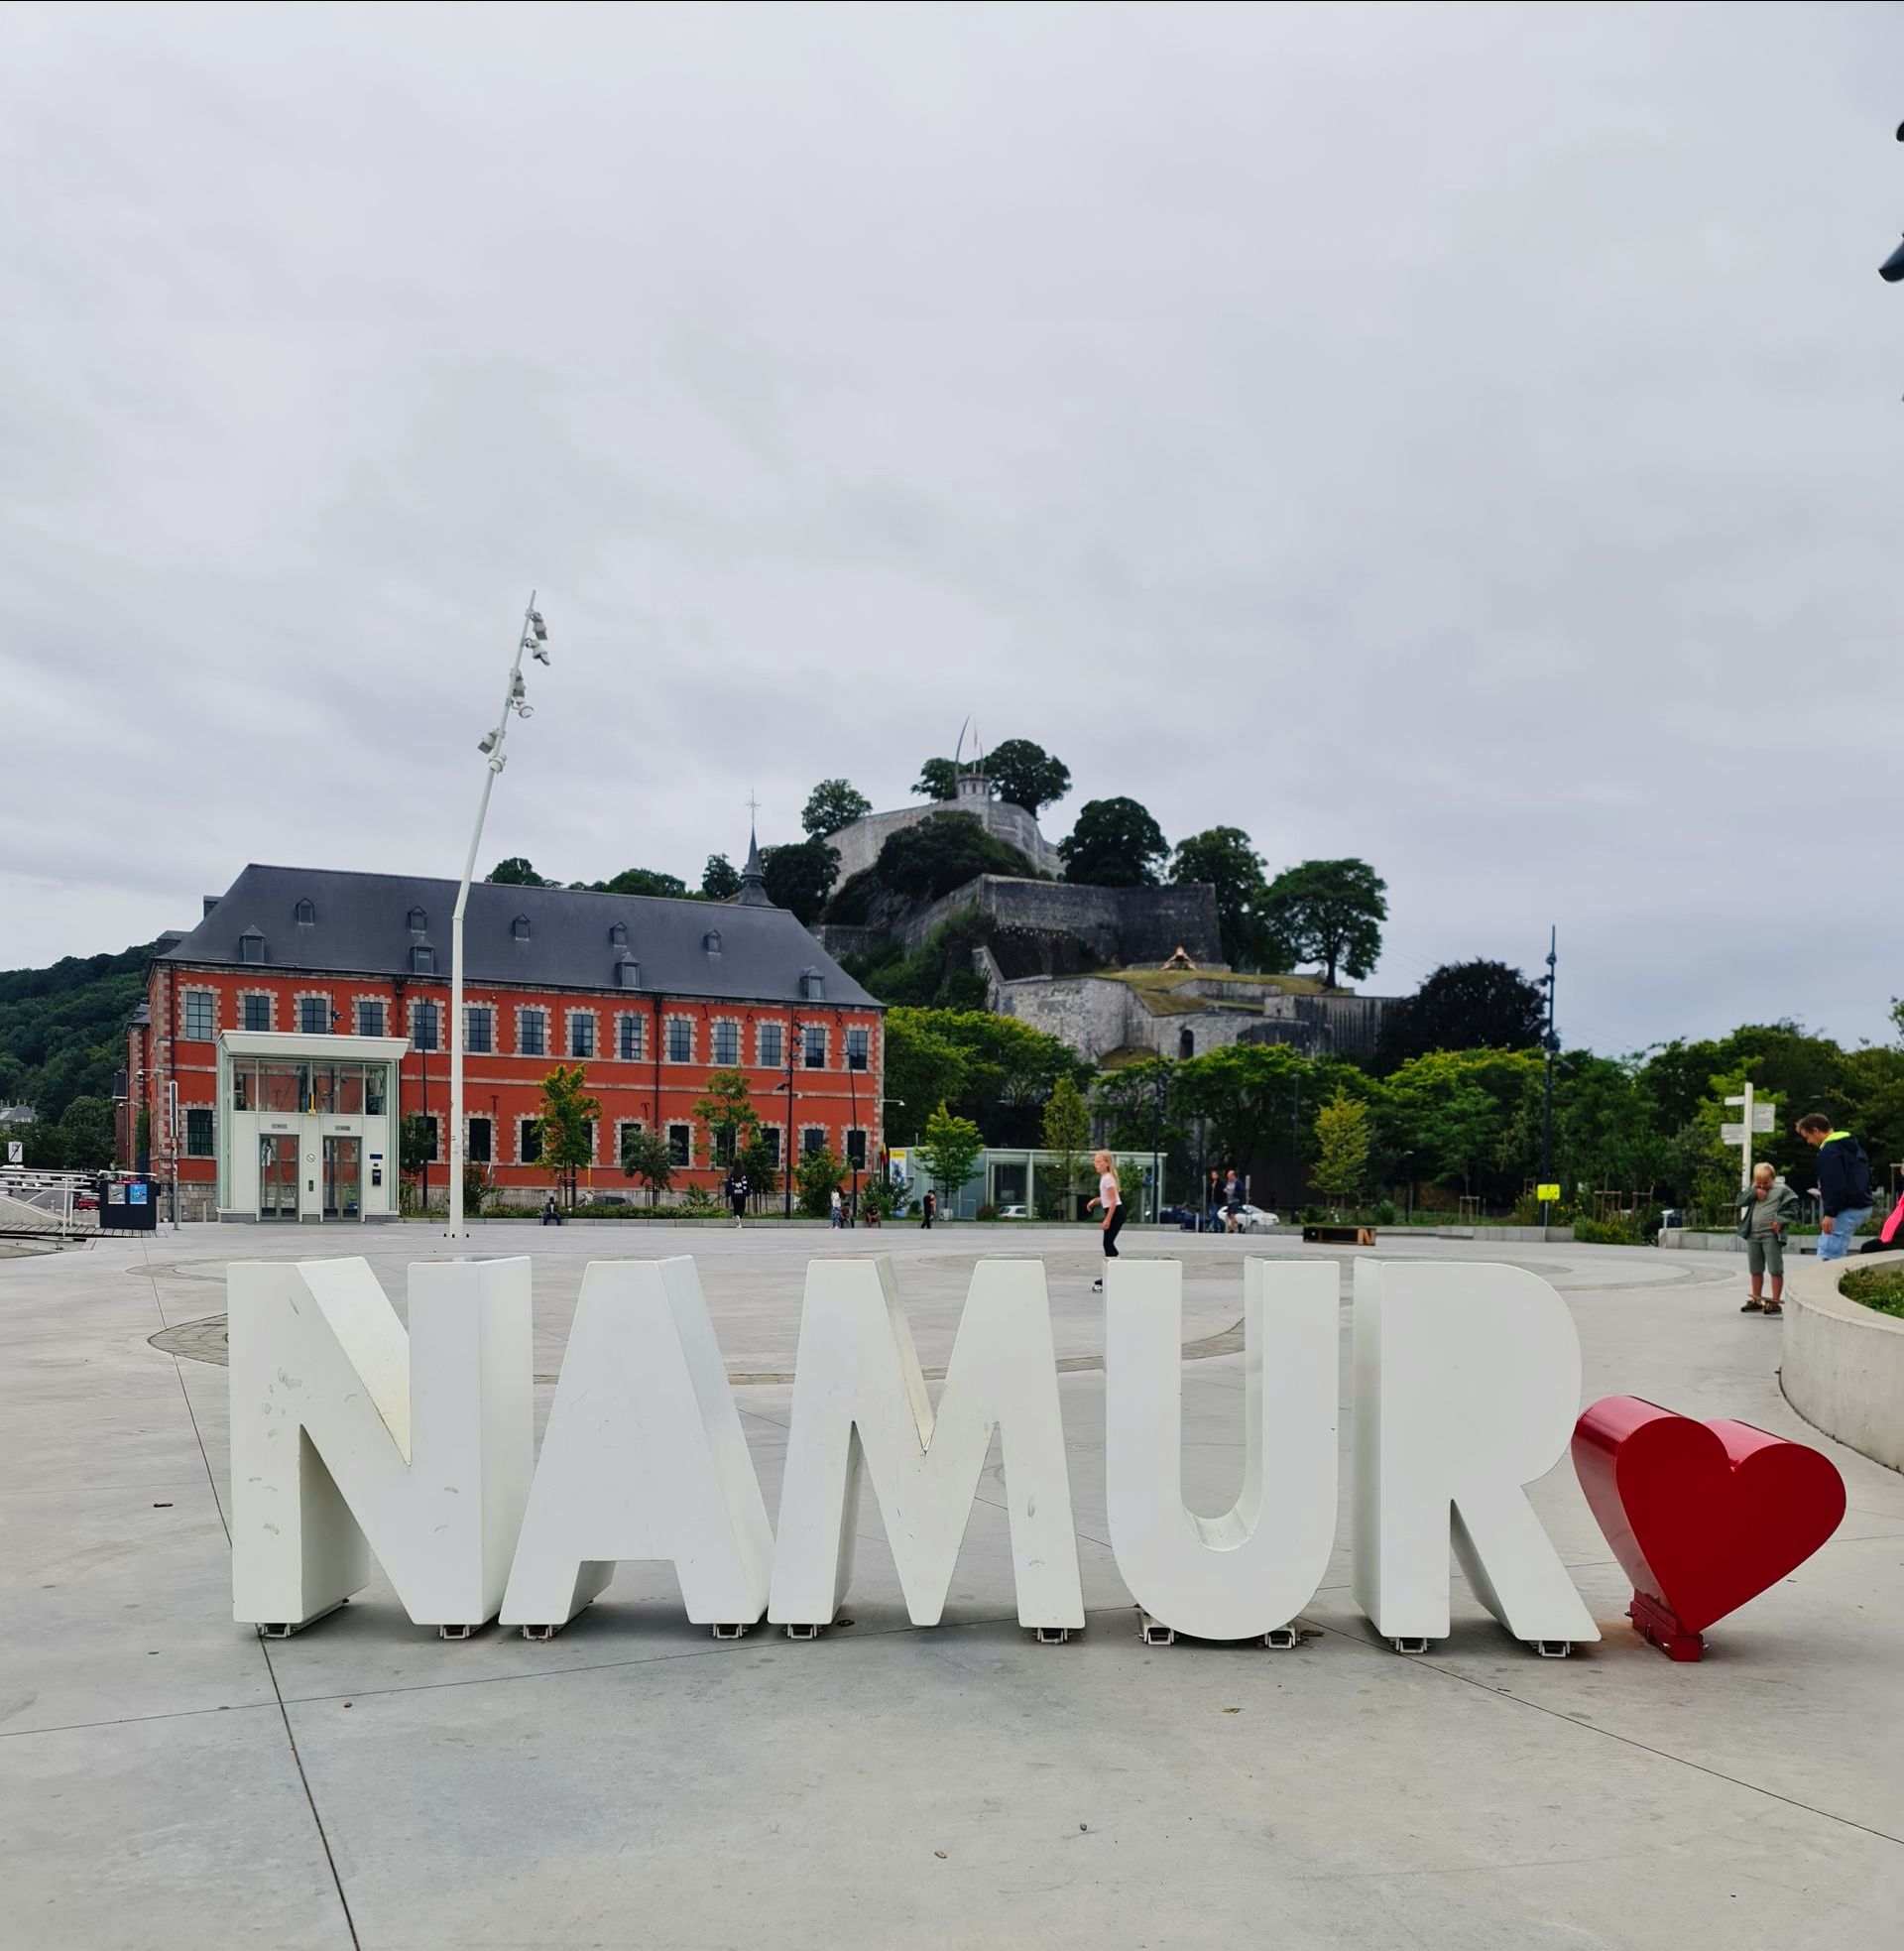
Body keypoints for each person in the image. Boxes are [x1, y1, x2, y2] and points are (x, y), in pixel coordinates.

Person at [1796, 1113, 1872, 1263]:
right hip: (1862, 1203)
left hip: (1846, 1208)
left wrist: (1830, 1213)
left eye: (1807, 1137)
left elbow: (1834, 1184)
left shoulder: (1830, 1151)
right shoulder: (1851, 1145)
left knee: (1829, 1254)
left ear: (1815, 1130)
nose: (1808, 1142)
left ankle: (1825, 1285)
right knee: (1833, 1247)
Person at [1735, 1161, 1798, 1314]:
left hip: (1771, 1234)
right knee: (1755, 1269)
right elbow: (1739, 1202)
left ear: (1773, 1178)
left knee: (1775, 1268)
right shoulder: (1753, 1190)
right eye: (1759, 1183)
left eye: (1766, 1182)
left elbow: (1794, 1207)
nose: (1762, 1186)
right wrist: (1754, 1193)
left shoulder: (1782, 1191)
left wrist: (1781, 1221)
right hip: (1753, 1234)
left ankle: (1775, 1301)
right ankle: (1756, 1299)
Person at [1088, 1150, 1125, 1292]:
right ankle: (1115, 1271)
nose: (1095, 1164)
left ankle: (1114, 1273)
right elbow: (1107, 1198)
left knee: (1107, 1243)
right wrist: (1095, 1201)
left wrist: (1107, 1220)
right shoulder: (1105, 1177)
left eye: (1099, 1161)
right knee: (1108, 1243)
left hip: (1115, 1213)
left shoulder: (1108, 1178)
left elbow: (1114, 1202)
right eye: (1095, 1161)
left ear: (1107, 1163)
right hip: (1114, 1212)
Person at [1861, 1184, 1904, 1254]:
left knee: (1868, 1247)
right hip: (1895, 1240)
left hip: (1898, 1242)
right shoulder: (1901, 1203)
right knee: (1869, 1246)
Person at [1223, 1168, 1242, 1233]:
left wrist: (1233, 1193)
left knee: (1232, 1214)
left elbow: (1241, 1191)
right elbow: (1227, 1189)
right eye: (1228, 1176)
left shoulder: (1237, 1182)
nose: (1228, 1177)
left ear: (1233, 1176)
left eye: (1229, 1176)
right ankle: (1237, 1225)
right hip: (1229, 1201)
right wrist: (1225, 1190)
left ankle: (1231, 1227)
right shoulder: (1228, 1182)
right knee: (1229, 1215)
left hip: (1235, 1200)